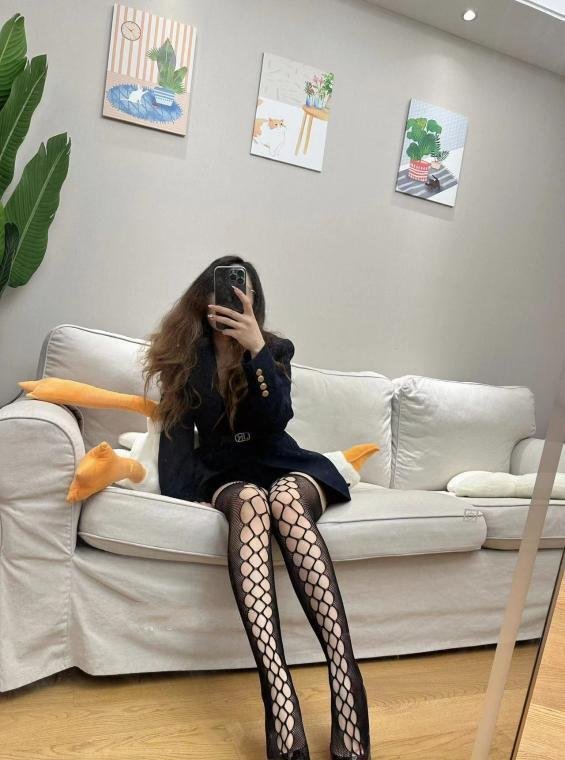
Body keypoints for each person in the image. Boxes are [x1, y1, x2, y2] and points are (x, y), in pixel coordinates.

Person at [143, 255, 370, 760]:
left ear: (253, 300)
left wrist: (256, 350)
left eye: (240, 292)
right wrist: (184, 492)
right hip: (227, 471)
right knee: (249, 500)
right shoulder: (182, 359)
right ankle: (278, 689)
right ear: (204, 299)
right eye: (221, 290)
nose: (230, 300)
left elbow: (277, 417)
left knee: (285, 498)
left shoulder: (274, 349)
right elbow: (178, 440)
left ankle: (344, 677)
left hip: (281, 459)